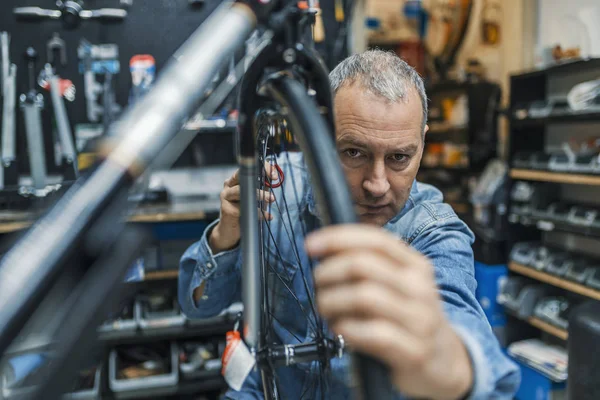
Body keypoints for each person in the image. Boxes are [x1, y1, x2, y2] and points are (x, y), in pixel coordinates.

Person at [179, 50, 520, 399]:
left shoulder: (433, 231)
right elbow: (198, 306)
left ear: (422, 143)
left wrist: (449, 363)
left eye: (399, 158)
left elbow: (465, 330)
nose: (377, 184)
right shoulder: (277, 187)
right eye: (354, 153)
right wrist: (227, 235)